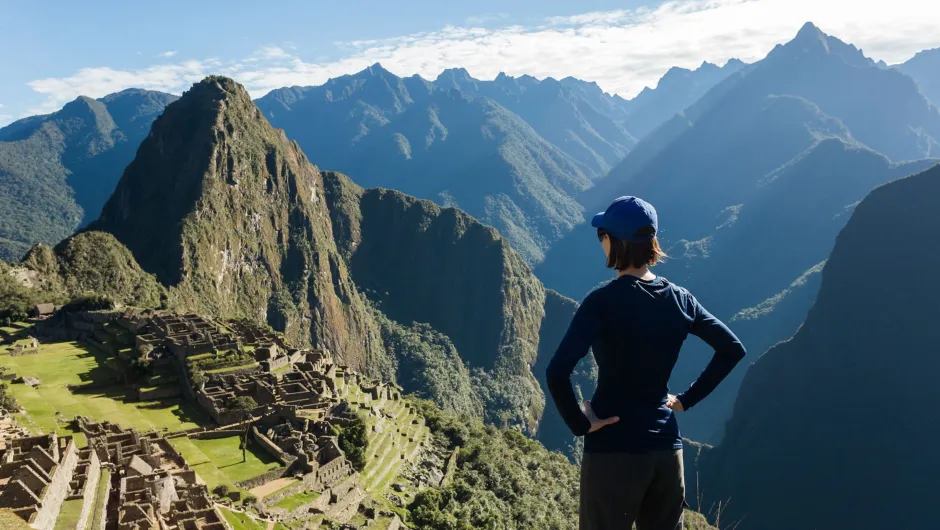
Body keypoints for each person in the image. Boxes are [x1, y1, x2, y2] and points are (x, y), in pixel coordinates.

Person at [546, 196, 746, 530]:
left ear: (616, 242)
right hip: (667, 451)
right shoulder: (680, 299)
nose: (601, 243)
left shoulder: (602, 303)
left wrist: (582, 424)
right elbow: (732, 349)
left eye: (602, 236)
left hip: (614, 451)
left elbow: (557, 370)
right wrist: (685, 400)